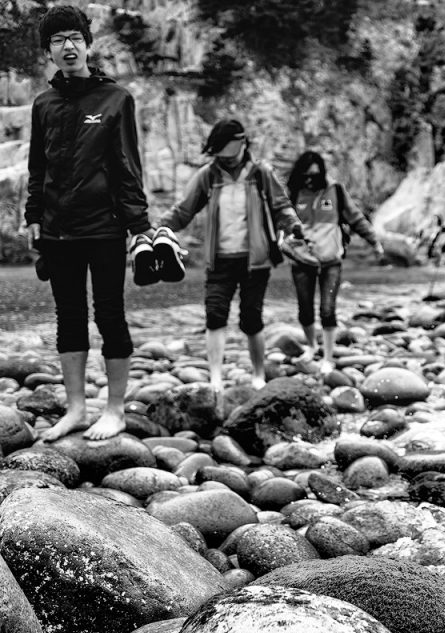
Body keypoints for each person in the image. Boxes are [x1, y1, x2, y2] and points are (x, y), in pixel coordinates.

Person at [22, 6, 152, 442]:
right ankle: (76, 408)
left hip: (105, 228)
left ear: (87, 44)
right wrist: (33, 217)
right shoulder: (43, 104)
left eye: (74, 37)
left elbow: (126, 166)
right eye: (58, 40)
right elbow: (36, 167)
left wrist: (141, 226)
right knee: (69, 317)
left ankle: (114, 410)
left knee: (110, 315)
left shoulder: (116, 99)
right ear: (49, 52)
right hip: (58, 229)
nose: (68, 46)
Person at [156, 119, 303, 393]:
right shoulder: (208, 176)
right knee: (215, 314)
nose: (226, 161)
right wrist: (156, 230)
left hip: (255, 260)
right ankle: (215, 379)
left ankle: (258, 374)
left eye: (229, 154)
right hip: (219, 259)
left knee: (251, 318)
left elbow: (282, 207)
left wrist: (294, 228)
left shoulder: (261, 173)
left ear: (243, 145)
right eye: (220, 155)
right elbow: (183, 211)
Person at [285, 151, 384, 374]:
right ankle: (311, 346)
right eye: (306, 175)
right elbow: (281, 221)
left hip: (331, 262)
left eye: (314, 175)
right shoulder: (294, 193)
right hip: (302, 261)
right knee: (305, 309)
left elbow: (356, 217)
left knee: (328, 310)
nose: (310, 179)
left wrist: (374, 241)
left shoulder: (336, 190)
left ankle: (328, 357)